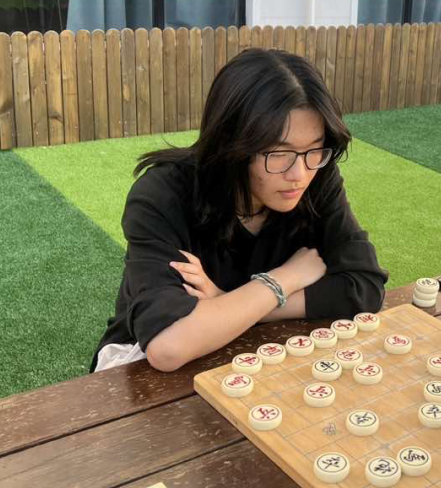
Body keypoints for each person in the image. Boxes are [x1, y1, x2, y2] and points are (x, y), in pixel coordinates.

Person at [92, 49, 388, 372]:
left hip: (254, 357)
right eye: (279, 153)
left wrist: (227, 299)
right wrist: (284, 278)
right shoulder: (164, 195)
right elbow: (168, 346)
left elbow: (365, 286)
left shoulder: (316, 177)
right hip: (139, 366)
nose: (299, 175)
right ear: (233, 146)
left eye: (314, 149)